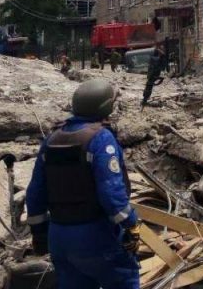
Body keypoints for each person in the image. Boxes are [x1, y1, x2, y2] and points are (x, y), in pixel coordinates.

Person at [26, 79, 140, 289]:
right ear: (106, 106)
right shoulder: (101, 139)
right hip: (95, 235)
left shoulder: (51, 140)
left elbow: (35, 193)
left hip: (59, 238)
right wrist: (131, 224)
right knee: (125, 279)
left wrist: (39, 233)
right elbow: (111, 193)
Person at [141, 42, 168, 109]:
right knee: (148, 88)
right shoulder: (155, 59)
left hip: (152, 75)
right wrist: (159, 50)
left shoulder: (154, 59)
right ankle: (144, 101)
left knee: (148, 87)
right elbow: (162, 56)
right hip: (152, 75)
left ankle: (144, 100)